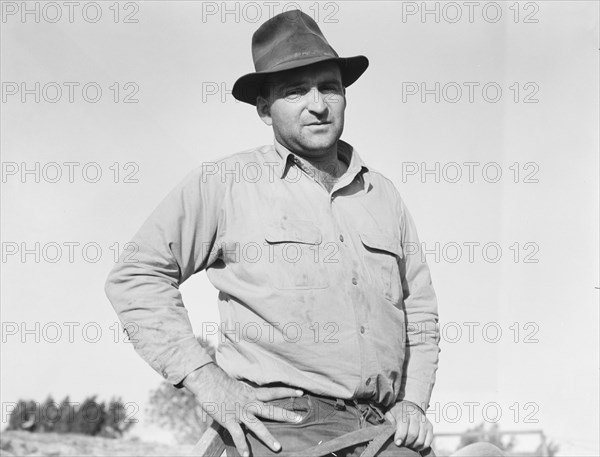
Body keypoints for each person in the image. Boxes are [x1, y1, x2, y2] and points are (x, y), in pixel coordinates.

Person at [105, 10, 504, 457]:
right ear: (263, 108)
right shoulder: (225, 183)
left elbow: (420, 314)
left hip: (377, 429)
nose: (318, 104)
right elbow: (136, 276)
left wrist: (412, 401)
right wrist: (207, 380)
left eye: (329, 87)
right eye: (296, 91)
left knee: (486, 452)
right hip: (282, 426)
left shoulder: (382, 196)